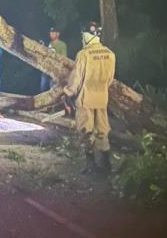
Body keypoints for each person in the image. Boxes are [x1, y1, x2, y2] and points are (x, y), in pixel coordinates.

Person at [63, 23, 116, 173]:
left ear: (86, 36)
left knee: (86, 130)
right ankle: (106, 164)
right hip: (102, 97)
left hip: (85, 98)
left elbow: (76, 78)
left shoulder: (84, 54)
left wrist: (68, 93)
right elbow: (110, 79)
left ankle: (90, 164)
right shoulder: (110, 54)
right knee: (103, 129)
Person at [40, 26, 68, 92]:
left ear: (58, 34)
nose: (51, 34)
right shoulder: (50, 43)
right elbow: (47, 54)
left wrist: (59, 69)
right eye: (50, 33)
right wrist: (42, 46)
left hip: (56, 69)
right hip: (48, 68)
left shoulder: (62, 44)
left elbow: (64, 58)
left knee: (52, 85)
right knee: (43, 84)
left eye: (53, 33)